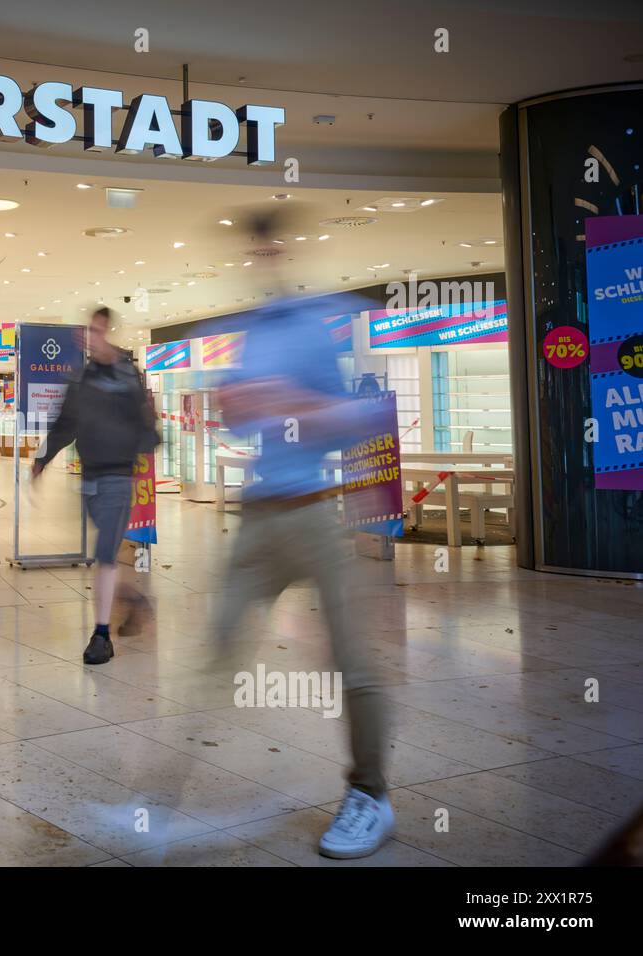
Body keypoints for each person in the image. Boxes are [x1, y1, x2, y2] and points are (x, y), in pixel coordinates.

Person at [212, 207, 392, 859]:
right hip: (259, 511)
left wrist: (284, 401)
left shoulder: (316, 325)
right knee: (220, 637)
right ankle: (160, 795)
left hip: (313, 508)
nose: (264, 259)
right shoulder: (250, 333)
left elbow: (354, 416)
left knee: (350, 659)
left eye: (272, 247)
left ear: (288, 250)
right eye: (254, 249)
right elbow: (236, 417)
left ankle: (369, 795)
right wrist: (234, 406)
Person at [32, 306, 160, 665]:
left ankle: (101, 635)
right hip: (88, 478)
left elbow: (143, 419)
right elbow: (66, 422)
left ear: (109, 333)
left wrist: (144, 446)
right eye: (90, 331)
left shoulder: (126, 374)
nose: (93, 337)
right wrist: (43, 458)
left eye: (100, 331)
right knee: (104, 552)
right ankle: (132, 600)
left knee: (104, 554)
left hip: (119, 476)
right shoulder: (82, 378)